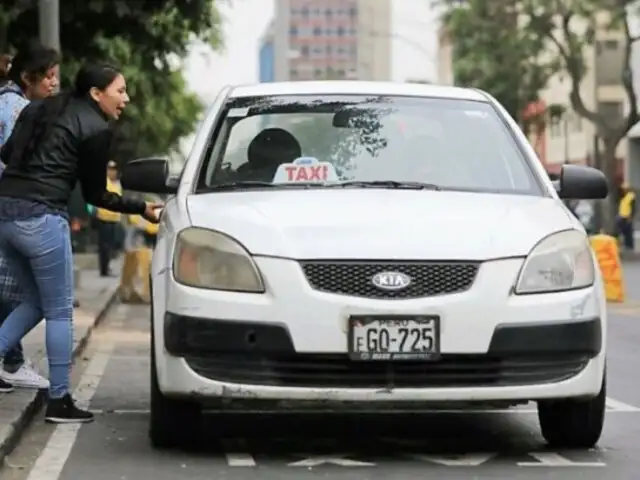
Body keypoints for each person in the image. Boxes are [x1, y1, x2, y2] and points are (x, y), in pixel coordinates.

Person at [0, 62, 161, 423]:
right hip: (41, 218)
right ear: (96, 93)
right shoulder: (95, 129)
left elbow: (7, 155)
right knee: (58, 310)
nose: (126, 98)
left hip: (5, 214)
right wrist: (141, 207)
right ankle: (59, 400)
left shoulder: (38, 107)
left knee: (35, 302)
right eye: (120, 91)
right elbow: (97, 194)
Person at [0, 43, 60, 390]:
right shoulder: (16, 108)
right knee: (23, 289)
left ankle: (11, 359)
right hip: (13, 205)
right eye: (48, 76)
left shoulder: (11, 103)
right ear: (27, 77)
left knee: (11, 286)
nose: (53, 83)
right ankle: (11, 360)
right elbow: (15, 159)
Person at [94, 160, 122, 276]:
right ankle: (104, 270)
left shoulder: (117, 184)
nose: (112, 172)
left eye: (114, 170)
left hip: (114, 219)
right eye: (110, 170)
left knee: (111, 246)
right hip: (104, 218)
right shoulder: (104, 182)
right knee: (104, 246)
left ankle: (107, 267)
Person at [617, 183, 636, 251]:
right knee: (623, 232)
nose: (623, 190)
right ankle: (625, 245)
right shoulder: (622, 197)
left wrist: (631, 217)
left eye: (624, 189)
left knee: (629, 232)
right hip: (621, 216)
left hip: (627, 217)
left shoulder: (631, 196)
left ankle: (630, 246)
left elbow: (633, 208)